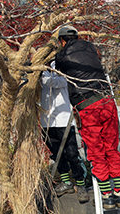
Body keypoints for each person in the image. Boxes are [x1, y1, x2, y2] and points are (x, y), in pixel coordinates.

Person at [53, 25, 120, 210]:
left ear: (62, 40)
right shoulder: (91, 47)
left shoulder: (61, 56)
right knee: (111, 148)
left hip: (87, 107)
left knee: (96, 152)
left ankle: (107, 196)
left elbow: (58, 69)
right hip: (107, 102)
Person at [40, 65, 89, 203]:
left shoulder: (61, 68)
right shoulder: (41, 73)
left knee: (72, 154)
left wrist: (40, 73)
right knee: (56, 154)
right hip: (47, 120)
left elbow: (55, 82)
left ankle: (80, 185)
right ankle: (66, 182)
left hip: (64, 120)